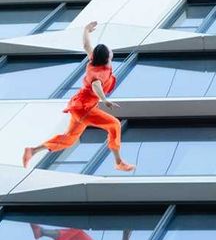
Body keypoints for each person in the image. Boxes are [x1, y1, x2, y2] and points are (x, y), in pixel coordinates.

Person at [22, 21, 135, 171]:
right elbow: (96, 85)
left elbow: (86, 46)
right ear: (108, 57)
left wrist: (86, 30)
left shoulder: (95, 61)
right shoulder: (99, 72)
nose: (111, 51)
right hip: (84, 109)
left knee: (69, 139)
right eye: (109, 51)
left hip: (79, 106)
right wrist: (105, 100)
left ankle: (33, 150)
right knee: (114, 124)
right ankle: (119, 162)